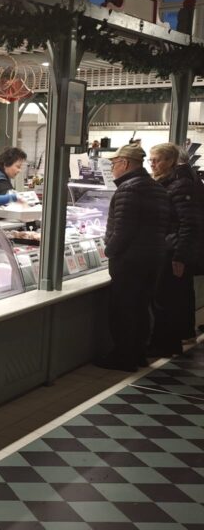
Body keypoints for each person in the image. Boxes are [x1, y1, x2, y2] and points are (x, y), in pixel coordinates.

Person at [98, 143, 171, 371]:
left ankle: (123, 358)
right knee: (141, 307)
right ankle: (138, 354)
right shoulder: (157, 187)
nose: (112, 168)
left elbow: (123, 231)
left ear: (125, 163)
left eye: (114, 163)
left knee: (123, 310)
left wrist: (108, 251)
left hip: (130, 261)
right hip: (154, 258)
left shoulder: (128, 189)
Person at [149, 143, 204, 355]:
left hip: (173, 251)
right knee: (173, 297)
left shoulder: (180, 185)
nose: (152, 164)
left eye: (157, 160)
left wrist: (180, 256)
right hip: (171, 247)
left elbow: (189, 223)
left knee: (166, 299)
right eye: (151, 160)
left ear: (171, 161)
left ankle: (165, 345)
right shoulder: (172, 182)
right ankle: (175, 339)